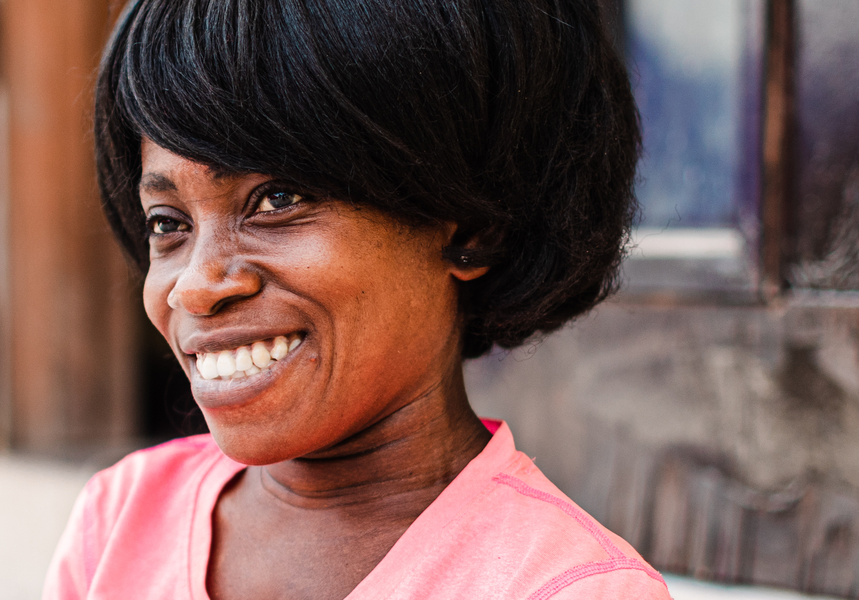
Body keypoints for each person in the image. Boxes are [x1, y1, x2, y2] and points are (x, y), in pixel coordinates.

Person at [45, 0, 670, 598]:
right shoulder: (121, 522)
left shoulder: (568, 588)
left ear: (472, 227)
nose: (197, 285)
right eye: (167, 223)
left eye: (278, 199)